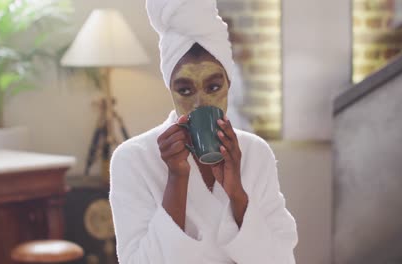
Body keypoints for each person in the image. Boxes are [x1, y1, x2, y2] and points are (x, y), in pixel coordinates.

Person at [109, 0, 298, 263]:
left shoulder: (255, 152)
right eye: (185, 90)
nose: (200, 104)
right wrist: (176, 178)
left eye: (213, 87)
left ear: (229, 85)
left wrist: (237, 194)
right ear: (170, 90)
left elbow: (281, 259)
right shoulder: (133, 159)